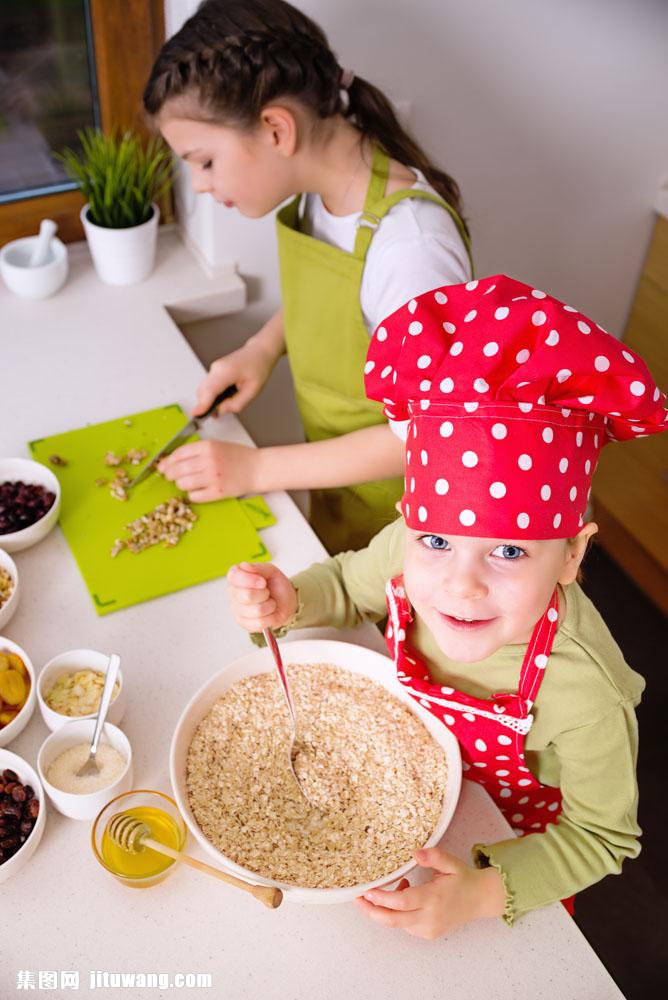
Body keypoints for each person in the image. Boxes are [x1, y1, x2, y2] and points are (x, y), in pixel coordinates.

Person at [227, 274, 668, 937]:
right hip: (396, 788)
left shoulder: (584, 692)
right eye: (436, 541)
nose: (461, 586)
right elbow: (348, 587)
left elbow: (602, 838)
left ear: (573, 556)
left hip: (499, 851)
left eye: (510, 552)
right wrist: (293, 598)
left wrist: (480, 897)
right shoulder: (407, 552)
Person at [142, 0, 472, 553]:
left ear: (275, 128)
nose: (198, 185)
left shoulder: (411, 250)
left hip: (415, 528)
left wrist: (255, 470)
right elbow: (340, 303)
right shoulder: (328, 196)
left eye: (204, 161)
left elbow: (428, 435)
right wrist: (262, 348)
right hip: (346, 491)